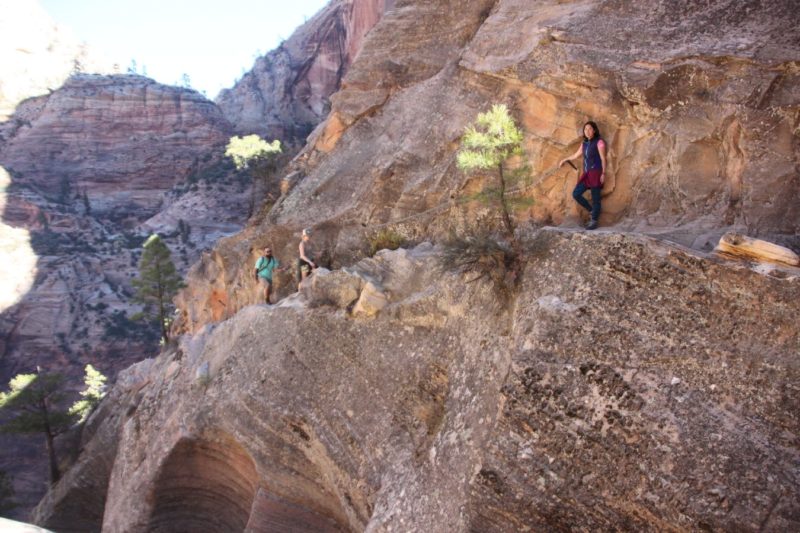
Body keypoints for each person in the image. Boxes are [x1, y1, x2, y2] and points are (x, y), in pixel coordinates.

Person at [559, 121, 608, 230]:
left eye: (590, 129)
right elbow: (576, 155)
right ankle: (592, 210)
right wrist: (565, 159)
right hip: (586, 173)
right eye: (585, 129)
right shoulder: (584, 144)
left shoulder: (599, 142)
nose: (587, 131)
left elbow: (603, 158)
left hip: (596, 172)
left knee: (596, 198)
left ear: (594, 130)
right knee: (576, 193)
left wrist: (603, 173)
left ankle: (594, 221)